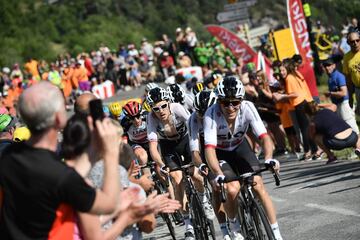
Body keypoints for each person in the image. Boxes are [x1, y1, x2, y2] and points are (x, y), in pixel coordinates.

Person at [0, 82, 120, 239]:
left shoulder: (8, 158)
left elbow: (62, 178)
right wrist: (111, 152)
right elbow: (109, 204)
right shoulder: (61, 176)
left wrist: (92, 153)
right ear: (59, 118)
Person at [203, 76, 283, 240]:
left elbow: (264, 137)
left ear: (241, 100)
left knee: (258, 185)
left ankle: (276, 233)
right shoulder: (211, 114)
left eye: (235, 102)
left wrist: (269, 158)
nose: (231, 107)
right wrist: (218, 173)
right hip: (220, 153)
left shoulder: (248, 107)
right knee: (231, 189)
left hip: (240, 148)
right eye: (226, 103)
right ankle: (234, 225)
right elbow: (209, 149)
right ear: (219, 101)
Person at [146, 87, 205, 240]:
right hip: (168, 146)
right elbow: (153, 147)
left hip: (186, 140)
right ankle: (188, 225)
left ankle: (204, 199)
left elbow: (193, 126)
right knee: (177, 180)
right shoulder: (151, 118)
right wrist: (161, 164)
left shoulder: (177, 108)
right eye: (156, 108)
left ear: (169, 103)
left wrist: (197, 151)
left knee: (196, 176)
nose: (160, 111)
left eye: (163, 106)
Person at [277, 59, 318, 160]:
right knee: (306, 128)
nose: (281, 72)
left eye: (283, 70)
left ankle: (309, 151)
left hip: (300, 104)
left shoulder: (289, 78)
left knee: (304, 129)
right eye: (280, 70)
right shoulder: (295, 75)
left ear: (287, 69)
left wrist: (281, 96)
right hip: (303, 102)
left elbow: (295, 94)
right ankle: (313, 150)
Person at [323, 57, 359, 134]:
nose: (327, 67)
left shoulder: (338, 76)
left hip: (344, 104)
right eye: (325, 66)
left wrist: (330, 93)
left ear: (334, 65)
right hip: (338, 104)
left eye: (329, 65)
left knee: (351, 124)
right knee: (346, 126)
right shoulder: (330, 78)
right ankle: (355, 144)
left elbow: (344, 93)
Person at [343, 29, 360, 113]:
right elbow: (348, 78)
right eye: (352, 41)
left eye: (357, 40)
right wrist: (350, 97)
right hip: (358, 89)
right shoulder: (346, 57)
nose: (355, 43)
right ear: (348, 43)